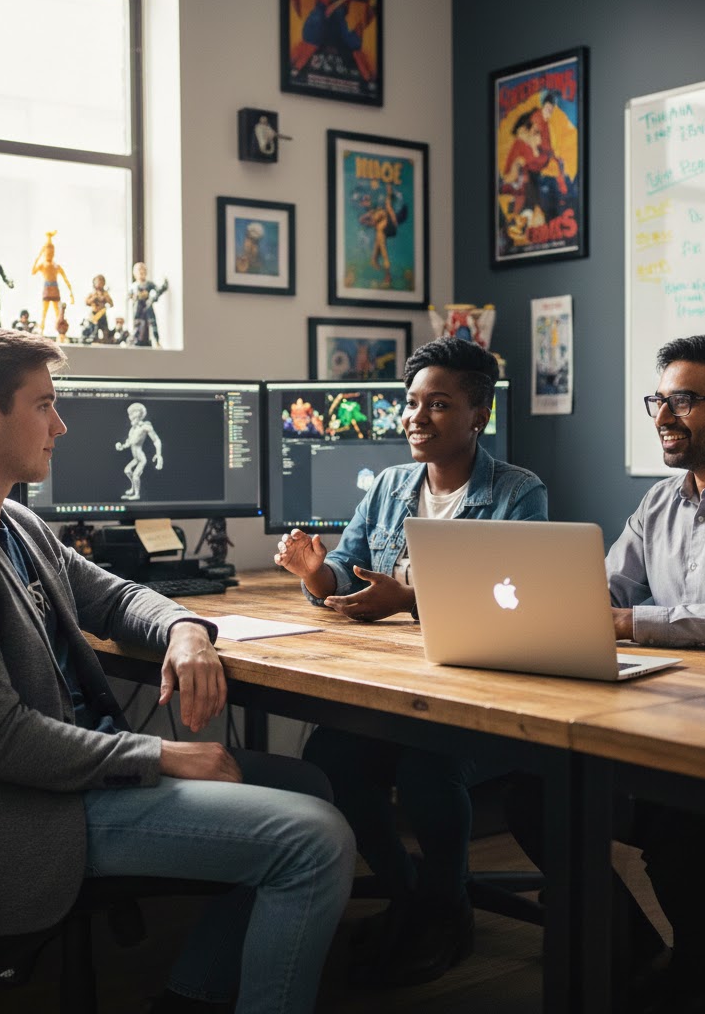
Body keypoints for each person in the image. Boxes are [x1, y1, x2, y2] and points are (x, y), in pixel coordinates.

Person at [0, 326, 355, 1014]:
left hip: (84, 779)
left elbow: (119, 595)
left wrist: (185, 630)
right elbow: (1, 742)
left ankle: (192, 996)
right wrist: (161, 755)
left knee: (312, 785)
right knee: (314, 840)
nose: (60, 426)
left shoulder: (12, 524)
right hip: (40, 813)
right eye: (44, 405)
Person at [510, 334, 705, 1014]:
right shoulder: (659, 502)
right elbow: (603, 593)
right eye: (659, 397)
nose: (661, 414)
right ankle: (640, 960)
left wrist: (632, 624)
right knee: (535, 796)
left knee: (682, 825)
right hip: (682, 711)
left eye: (683, 400)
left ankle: (695, 983)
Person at [274, 337, 548, 987]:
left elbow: (518, 603)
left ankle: (445, 907)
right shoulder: (393, 485)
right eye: (411, 404)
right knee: (330, 760)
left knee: (429, 768)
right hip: (403, 686)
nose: (416, 418)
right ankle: (412, 896)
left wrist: (413, 600)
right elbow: (349, 566)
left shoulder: (518, 493)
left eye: (439, 405)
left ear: (479, 414)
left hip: (490, 698)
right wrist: (317, 576)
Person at [116, 401, 162, 500]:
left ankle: (137, 494)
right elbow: (130, 442)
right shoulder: (132, 429)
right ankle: (133, 488)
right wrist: (122, 446)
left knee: (136, 475)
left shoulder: (145, 427)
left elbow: (156, 440)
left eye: (134, 412)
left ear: (140, 413)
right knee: (127, 470)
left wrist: (158, 454)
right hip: (136, 458)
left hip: (141, 458)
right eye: (130, 414)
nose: (131, 415)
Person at [31, 231, 74, 333]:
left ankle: (60, 332)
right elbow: (33, 271)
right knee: (44, 313)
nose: (49, 254)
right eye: (47, 252)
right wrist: (39, 255)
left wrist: (71, 293)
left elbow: (66, 279)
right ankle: (41, 331)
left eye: (51, 252)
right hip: (47, 289)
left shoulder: (56, 266)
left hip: (55, 289)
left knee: (58, 312)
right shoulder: (43, 264)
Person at [129, 261, 168, 347]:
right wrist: (135, 297)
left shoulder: (149, 284)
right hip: (138, 308)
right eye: (139, 270)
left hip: (147, 305)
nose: (141, 272)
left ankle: (156, 341)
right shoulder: (133, 286)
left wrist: (153, 297)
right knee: (137, 324)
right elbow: (129, 296)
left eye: (143, 270)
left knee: (152, 323)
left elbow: (157, 291)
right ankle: (136, 341)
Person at [84, 273, 114, 343]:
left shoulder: (105, 294)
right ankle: (94, 339)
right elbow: (86, 302)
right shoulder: (93, 293)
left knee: (105, 329)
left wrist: (106, 299)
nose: (99, 283)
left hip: (102, 314)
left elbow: (111, 304)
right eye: (97, 282)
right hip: (94, 314)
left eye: (101, 282)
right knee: (94, 329)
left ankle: (106, 340)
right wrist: (94, 298)